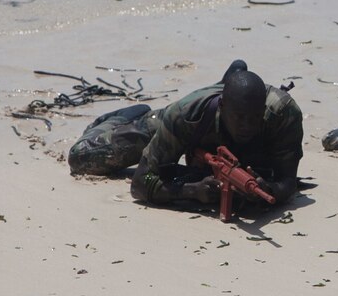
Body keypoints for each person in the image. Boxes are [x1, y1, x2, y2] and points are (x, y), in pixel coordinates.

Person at [69, 62, 303, 211]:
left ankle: (231, 77)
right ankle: (123, 117)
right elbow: (140, 183)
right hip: (182, 122)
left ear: (263, 110)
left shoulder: (283, 113)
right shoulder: (185, 116)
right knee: (82, 157)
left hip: (223, 108)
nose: (247, 126)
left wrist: (271, 190)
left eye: (254, 118)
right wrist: (192, 191)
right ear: (223, 107)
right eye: (239, 118)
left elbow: (288, 181)